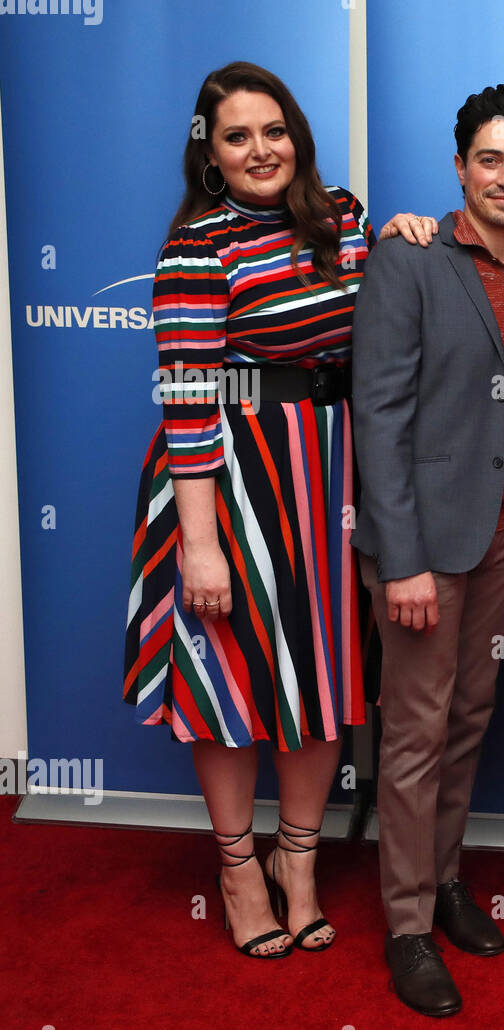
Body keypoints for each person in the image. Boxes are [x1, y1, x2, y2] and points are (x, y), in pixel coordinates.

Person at [123, 61, 375, 960]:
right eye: (237, 137)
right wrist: (199, 545)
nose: (260, 150)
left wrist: (417, 234)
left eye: (274, 131)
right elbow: (188, 391)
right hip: (226, 479)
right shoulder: (200, 246)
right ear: (210, 155)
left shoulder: (345, 219)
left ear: (297, 136)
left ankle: (296, 862)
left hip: (329, 477)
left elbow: (387, 321)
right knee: (229, 684)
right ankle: (237, 870)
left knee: (319, 680)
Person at [350, 85, 504, 1017]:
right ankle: (404, 926)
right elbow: (380, 413)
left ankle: (443, 884)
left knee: (469, 719)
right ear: (460, 166)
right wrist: (401, 558)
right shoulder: (410, 258)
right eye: (490, 159)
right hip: (425, 545)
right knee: (416, 732)